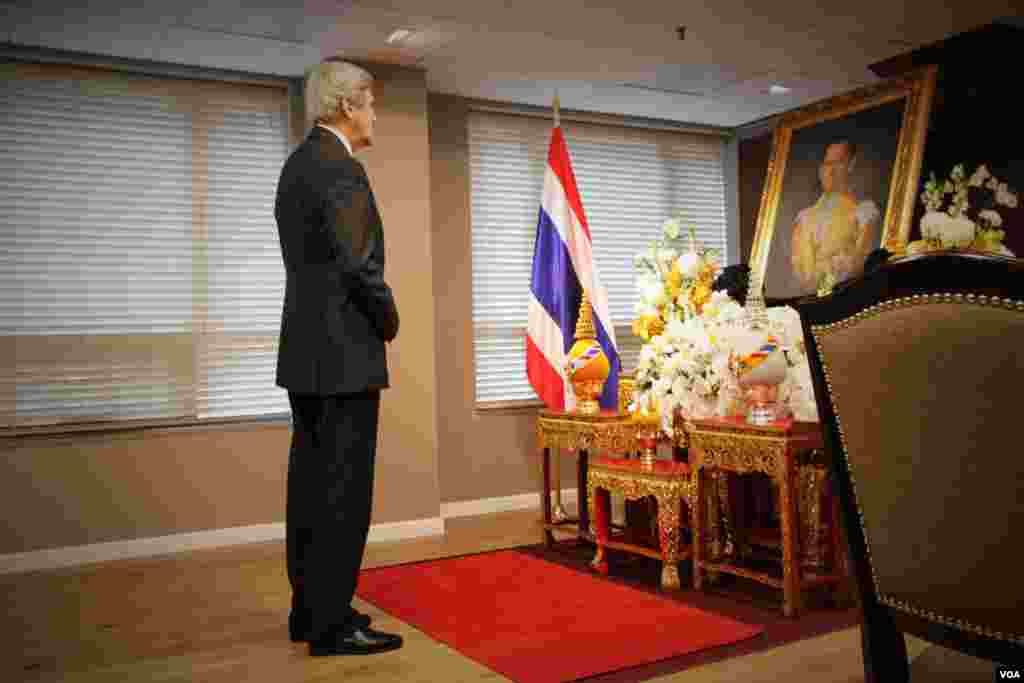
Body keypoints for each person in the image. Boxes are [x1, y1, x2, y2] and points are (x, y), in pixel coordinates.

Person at [274, 59, 402, 657]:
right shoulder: (342, 169)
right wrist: (389, 318)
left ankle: (309, 610)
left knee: (310, 488)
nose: (374, 114)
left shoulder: (296, 166)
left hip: (305, 356)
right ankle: (333, 627)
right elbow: (359, 266)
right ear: (347, 106)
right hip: (346, 355)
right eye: (370, 103)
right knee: (345, 494)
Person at [790, 141, 880, 293]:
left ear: (850, 166)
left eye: (838, 163)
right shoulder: (804, 218)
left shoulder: (864, 212)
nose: (830, 171)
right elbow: (802, 272)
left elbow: (858, 263)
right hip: (812, 302)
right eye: (827, 164)